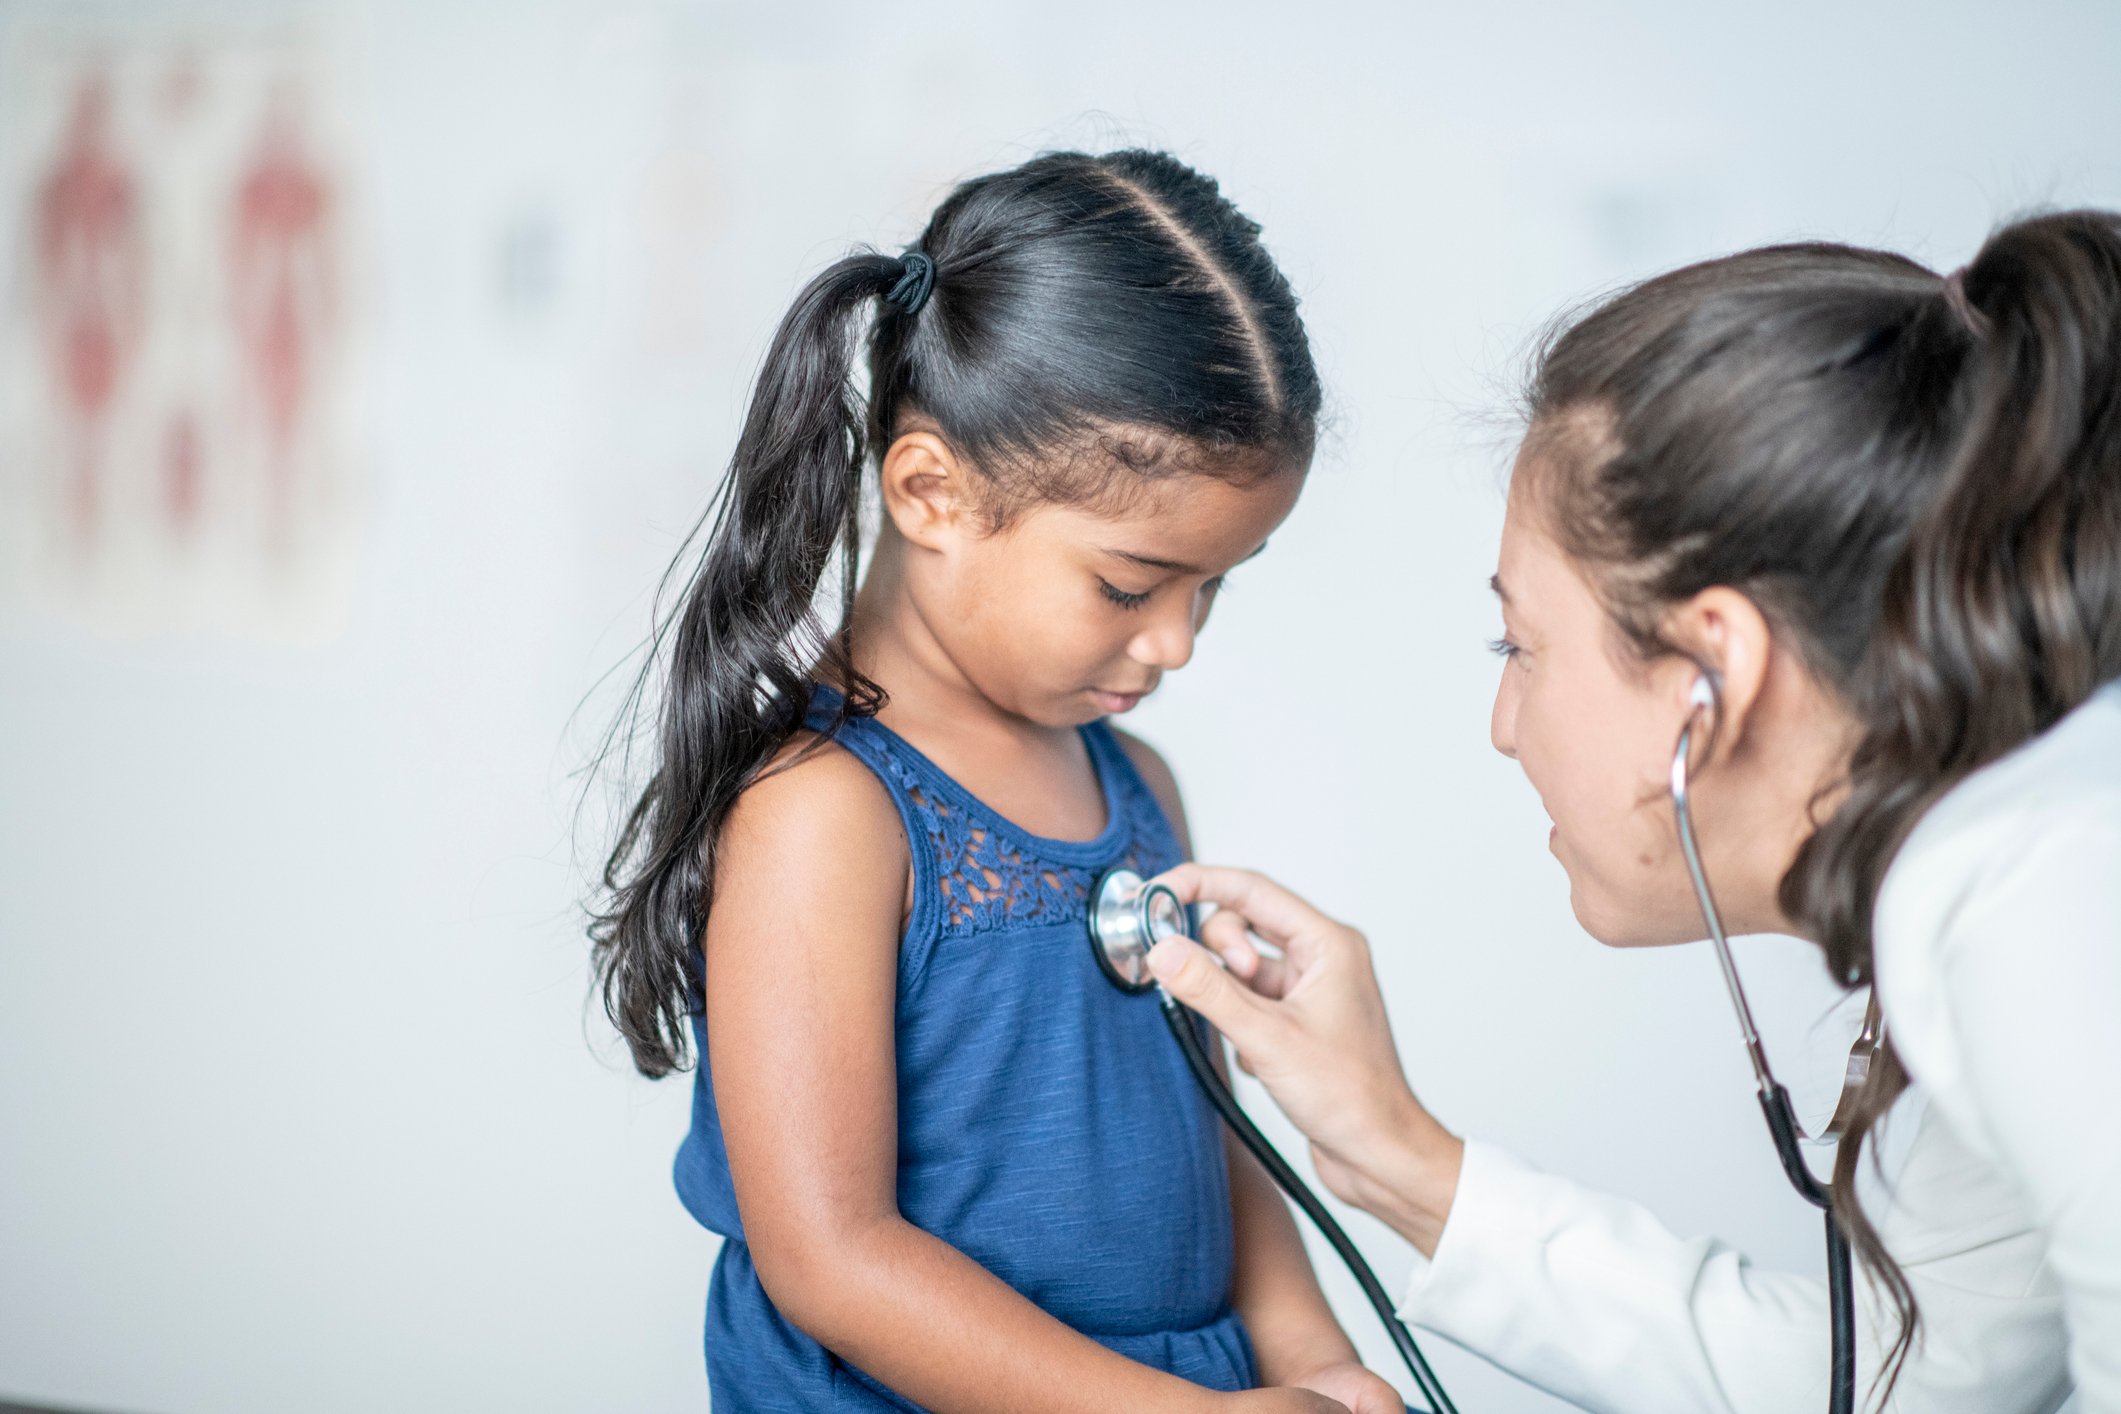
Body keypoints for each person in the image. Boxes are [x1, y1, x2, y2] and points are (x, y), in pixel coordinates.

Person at [1148, 211, 2121, 1413]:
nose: (1503, 725)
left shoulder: (2042, 895)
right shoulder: (2020, 876)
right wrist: (1395, 1149)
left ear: (1712, 672)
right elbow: (1907, 1384)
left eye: (1523, 642)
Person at [589, 150, 1396, 1413]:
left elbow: (1215, 1143)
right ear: (931, 494)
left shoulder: (1137, 784)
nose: (1180, 642)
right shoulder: (825, 816)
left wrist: (1320, 1368)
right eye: (1131, 586)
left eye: (1213, 587)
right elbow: (833, 1259)